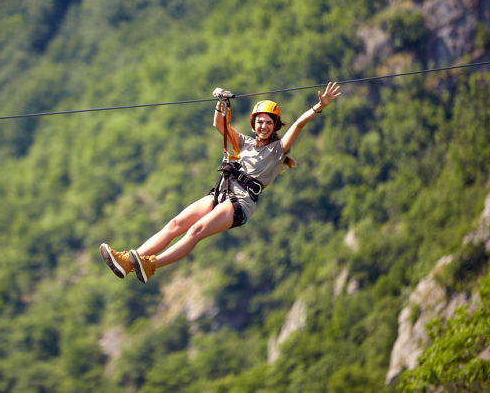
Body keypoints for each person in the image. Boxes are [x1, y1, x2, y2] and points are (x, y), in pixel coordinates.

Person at [100, 82, 341, 283]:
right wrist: (221, 102)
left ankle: (151, 264)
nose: (264, 126)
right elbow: (219, 125)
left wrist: (319, 106)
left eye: (269, 122)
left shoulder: (278, 150)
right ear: (254, 124)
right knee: (175, 224)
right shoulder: (245, 143)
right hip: (221, 193)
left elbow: (298, 124)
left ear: (275, 126)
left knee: (195, 231)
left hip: (240, 203)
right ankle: (127, 262)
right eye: (260, 121)